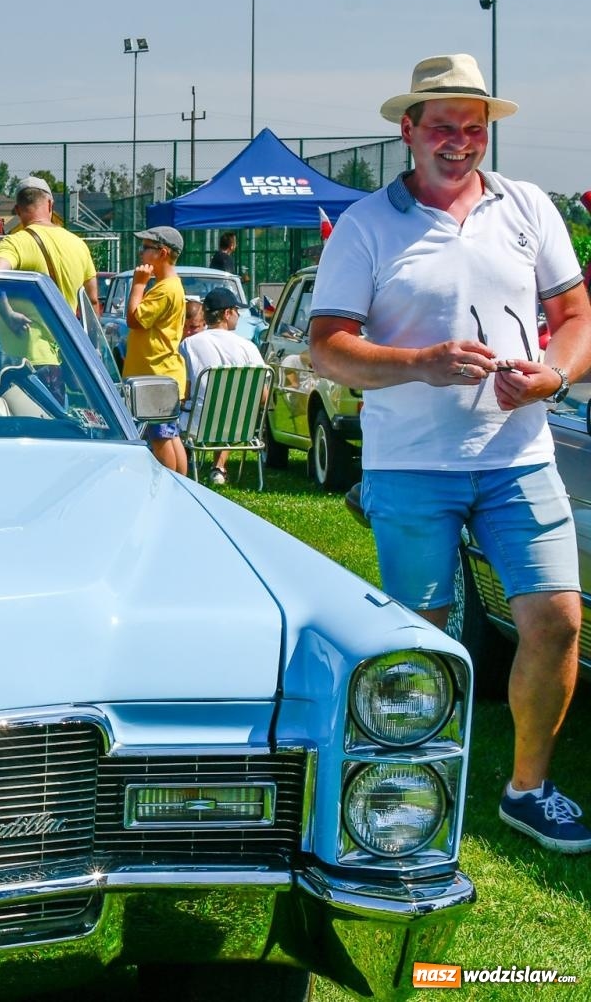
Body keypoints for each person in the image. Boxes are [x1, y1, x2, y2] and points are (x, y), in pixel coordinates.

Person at [310, 54, 591, 854]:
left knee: (557, 621)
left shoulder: (528, 206)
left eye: (474, 128)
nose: (460, 142)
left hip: (519, 458)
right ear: (408, 131)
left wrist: (554, 376)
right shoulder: (367, 224)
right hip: (411, 465)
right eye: (442, 127)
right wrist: (421, 363)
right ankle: (401, 786)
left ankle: (528, 790)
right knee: (421, 639)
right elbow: (327, 346)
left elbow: (577, 316)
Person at [181, 287, 264, 485]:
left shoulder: (189, 344)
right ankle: (218, 468)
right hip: (239, 425)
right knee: (230, 408)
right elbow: (263, 396)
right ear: (227, 313)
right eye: (236, 311)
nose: (239, 315)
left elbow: (185, 391)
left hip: (197, 424)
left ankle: (184, 461)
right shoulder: (248, 347)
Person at [123, 225, 188, 474]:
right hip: (162, 373)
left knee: (161, 440)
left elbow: (134, 319)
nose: (141, 253)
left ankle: (167, 484)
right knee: (170, 435)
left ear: (162, 253)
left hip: (155, 375)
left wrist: (138, 285)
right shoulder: (168, 286)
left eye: (146, 248)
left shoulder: (164, 289)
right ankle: (182, 483)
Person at [0, 175, 99, 316]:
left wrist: (8, 315)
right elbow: (92, 300)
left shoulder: (14, 243)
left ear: (17, 210)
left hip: (23, 331)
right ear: (50, 204)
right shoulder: (79, 244)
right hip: (64, 331)